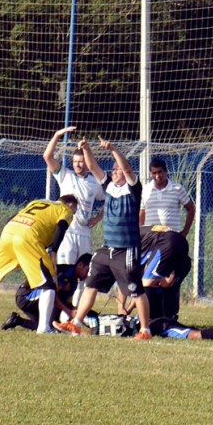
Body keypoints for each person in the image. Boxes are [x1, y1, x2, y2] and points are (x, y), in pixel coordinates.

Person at [53, 137, 153, 340]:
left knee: (135, 289)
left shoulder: (133, 188)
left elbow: (126, 168)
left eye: (117, 170)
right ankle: (76, 323)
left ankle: (145, 330)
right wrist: (87, 149)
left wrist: (113, 149)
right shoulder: (108, 186)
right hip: (107, 249)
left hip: (126, 249)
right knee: (91, 284)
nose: (115, 172)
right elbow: (92, 166)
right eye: (113, 170)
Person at [0, 195, 78, 333]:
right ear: (70, 204)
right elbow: (62, 226)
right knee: (49, 284)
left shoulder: (38, 201)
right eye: (75, 210)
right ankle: (44, 327)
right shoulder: (65, 209)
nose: (74, 213)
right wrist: (54, 252)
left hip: (9, 231)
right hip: (28, 237)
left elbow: (11, 218)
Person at [43, 126, 105, 303]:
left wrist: (98, 217)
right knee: (64, 273)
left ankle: (76, 314)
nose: (77, 164)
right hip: (67, 234)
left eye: (81, 161)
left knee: (83, 276)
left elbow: (110, 199)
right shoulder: (65, 175)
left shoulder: (94, 183)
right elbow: (47, 157)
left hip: (84, 234)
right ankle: (62, 311)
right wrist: (56, 135)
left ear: (86, 162)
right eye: (75, 161)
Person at [0, 253, 93, 331]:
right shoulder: (67, 273)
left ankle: (16, 320)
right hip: (26, 295)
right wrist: (69, 311)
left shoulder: (74, 279)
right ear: (80, 265)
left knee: (47, 325)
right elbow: (51, 294)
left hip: (35, 297)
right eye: (87, 270)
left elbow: (63, 299)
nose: (88, 275)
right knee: (50, 324)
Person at [140, 224, 192, 320]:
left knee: (147, 283)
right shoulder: (140, 232)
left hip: (168, 244)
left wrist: (125, 308)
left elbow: (138, 287)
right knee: (167, 283)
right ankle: (168, 317)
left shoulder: (129, 243)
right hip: (181, 245)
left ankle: (153, 319)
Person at [139, 158, 196, 237]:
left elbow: (191, 209)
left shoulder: (177, 189)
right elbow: (142, 212)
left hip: (170, 237)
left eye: (160, 172)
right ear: (150, 174)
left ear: (166, 171)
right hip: (150, 237)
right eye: (154, 173)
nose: (157, 176)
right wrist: (140, 233)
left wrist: (185, 231)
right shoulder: (145, 190)